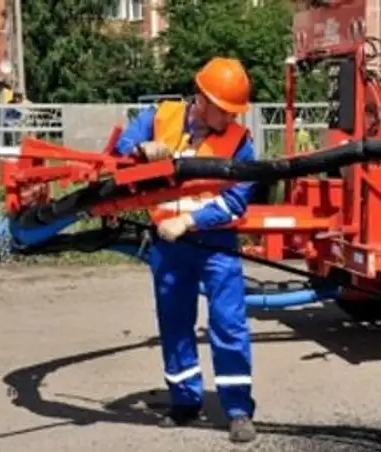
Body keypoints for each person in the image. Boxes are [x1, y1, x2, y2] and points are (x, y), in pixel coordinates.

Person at [112, 57, 258, 444]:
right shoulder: (160, 117)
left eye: (234, 111)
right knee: (174, 323)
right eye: (225, 110)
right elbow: (120, 154)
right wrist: (141, 150)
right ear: (202, 99)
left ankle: (238, 410)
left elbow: (236, 201)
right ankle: (184, 400)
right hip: (169, 246)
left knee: (228, 325)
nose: (230, 118)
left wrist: (189, 221)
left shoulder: (240, 142)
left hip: (216, 244)